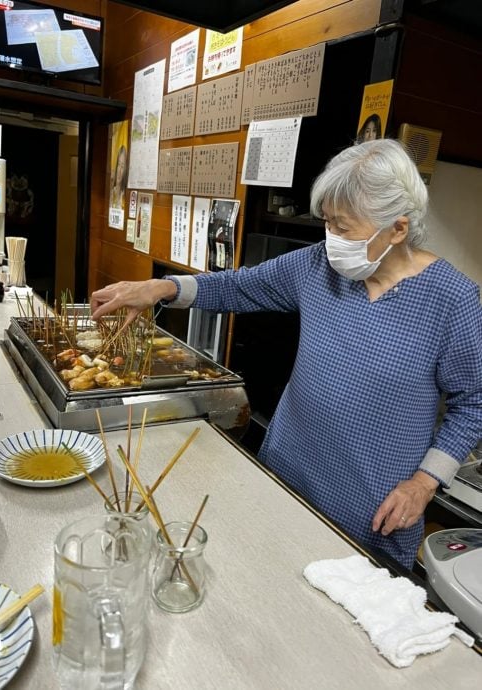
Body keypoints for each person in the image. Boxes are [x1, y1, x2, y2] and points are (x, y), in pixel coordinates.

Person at [91, 139, 482, 569]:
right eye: (327, 223)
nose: (331, 239)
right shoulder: (317, 266)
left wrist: (424, 483)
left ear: (398, 229)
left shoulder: (454, 300)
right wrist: (163, 288)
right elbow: (239, 286)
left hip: (370, 511)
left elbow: (474, 405)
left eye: (344, 227)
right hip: (283, 475)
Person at [110, 144, 128, 209]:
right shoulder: (111, 191)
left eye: (122, 166)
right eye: (118, 164)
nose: (119, 170)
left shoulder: (124, 195)